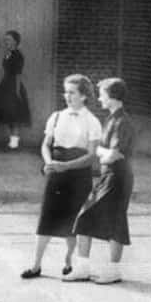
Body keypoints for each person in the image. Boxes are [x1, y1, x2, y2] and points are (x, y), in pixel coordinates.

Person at [21, 74, 102, 279]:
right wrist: (49, 162)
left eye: (72, 92)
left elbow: (91, 156)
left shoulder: (92, 122)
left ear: (84, 96)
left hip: (77, 176)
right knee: (47, 218)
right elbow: (46, 144)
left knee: (73, 221)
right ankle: (36, 265)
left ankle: (68, 261)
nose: (67, 96)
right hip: (56, 173)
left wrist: (65, 166)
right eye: (65, 92)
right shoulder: (56, 116)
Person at [66, 78, 135, 284]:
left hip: (117, 177)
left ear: (112, 97)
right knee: (90, 219)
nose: (99, 98)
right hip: (110, 176)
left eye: (102, 94)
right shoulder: (112, 119)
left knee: (109, 221)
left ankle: (111, 270)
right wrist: (103, 153)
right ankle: (85, 268)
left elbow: (112, 155)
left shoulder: (122, 122)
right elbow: (109, 154)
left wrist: (97, 150)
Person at [0, 30, 31, 150]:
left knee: (15, 115)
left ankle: (14, 143)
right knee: (9, 115)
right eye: (5, 39)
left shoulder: (18, 55)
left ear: (15, 42)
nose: (6, 42)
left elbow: (18, 74)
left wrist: (17, 92)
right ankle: (12, 142)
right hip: (6, 84)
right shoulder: (8, 53)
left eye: (9, 40)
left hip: (13, 86)